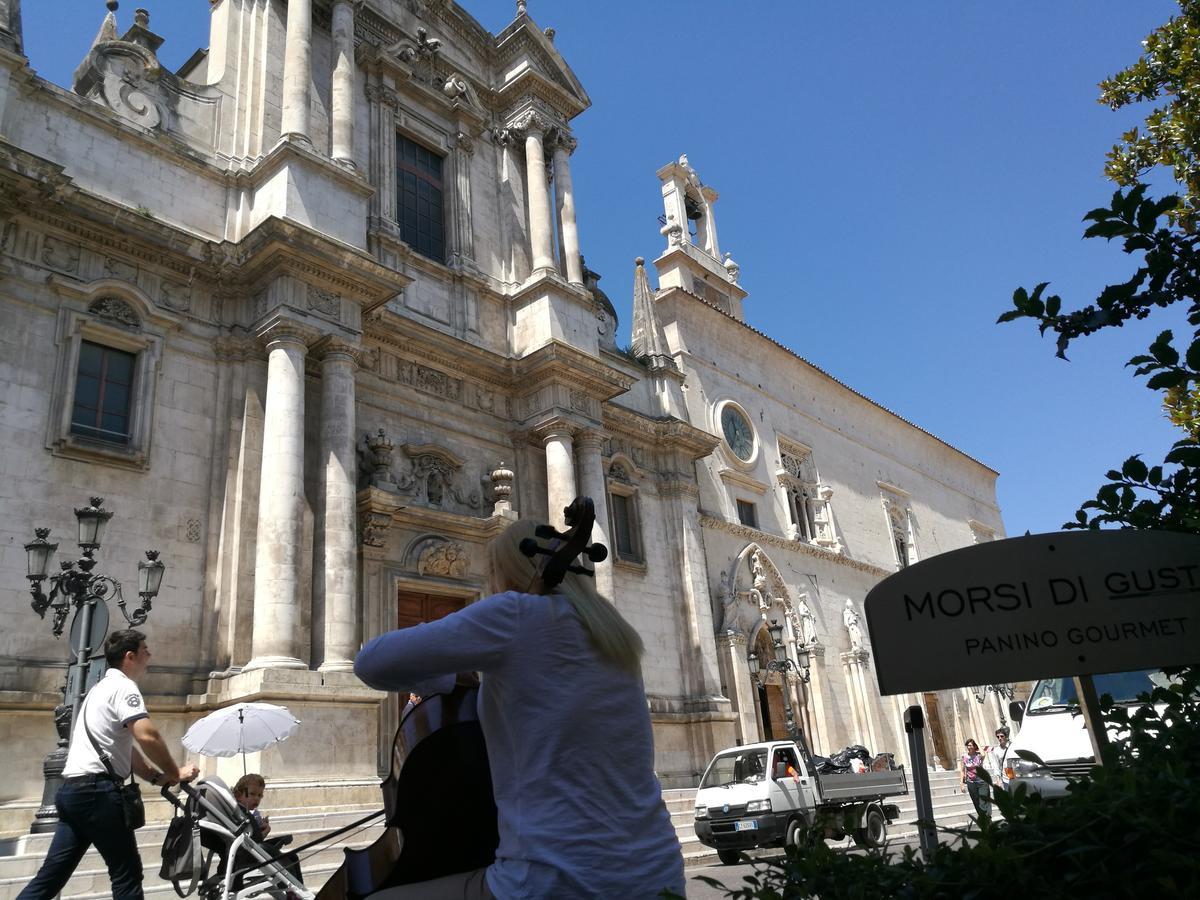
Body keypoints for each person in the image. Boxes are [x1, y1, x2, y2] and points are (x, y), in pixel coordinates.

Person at [354, 517, 686, 900]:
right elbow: (543, 705)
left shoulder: (514, 613)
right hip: (659, 872)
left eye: (493, 573)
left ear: (509, 572)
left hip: (562, 880)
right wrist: (464, 679)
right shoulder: (612, 633)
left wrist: (446, 673)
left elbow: (372, 663)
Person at [18, 629, 199, 900]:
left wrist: (156, 777)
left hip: (72, 792)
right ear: (130, 656)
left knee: (51, 877)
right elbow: (146, 734)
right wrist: (175, 772)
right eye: (144, 649)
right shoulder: (124, 687)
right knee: (126, 874)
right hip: (97, 792)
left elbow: (124, 749)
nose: (149, 654)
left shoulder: (98, 690)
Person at [231, 773, 302, 887]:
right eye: (252, 794)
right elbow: (252, 840)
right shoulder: (241, 814)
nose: (257, 798)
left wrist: (259, 829)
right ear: (239, 795)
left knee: (292, 857)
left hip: (250, 852)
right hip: (247, 858)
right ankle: (294, 890)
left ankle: (296, 889)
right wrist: (265, 831)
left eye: (260, 795)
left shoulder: (243, 812)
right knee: (288, 859)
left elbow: (251, 838)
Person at [959, 738, 991, 819]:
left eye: (971, 745)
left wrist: (977, 742)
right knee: (976, 802)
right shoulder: (964, 757)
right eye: (968, 745)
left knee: (983, 801)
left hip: (982, 781)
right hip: (971, 782)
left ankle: (987, 818)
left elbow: (984, 754)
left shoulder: (979, 755)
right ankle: (982, 818)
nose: (969, 747)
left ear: (974, 746)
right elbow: (962, 771)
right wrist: (961, 784)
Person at [984, 726, 1012, 791]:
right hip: (1006, 776)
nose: (1000, 738)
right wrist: (998, 781)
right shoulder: (996, 750)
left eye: (1002, 736)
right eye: (998, 737)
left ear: (1006, 736)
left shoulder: (1012, 746)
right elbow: (996, 766)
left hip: (1016, 775)